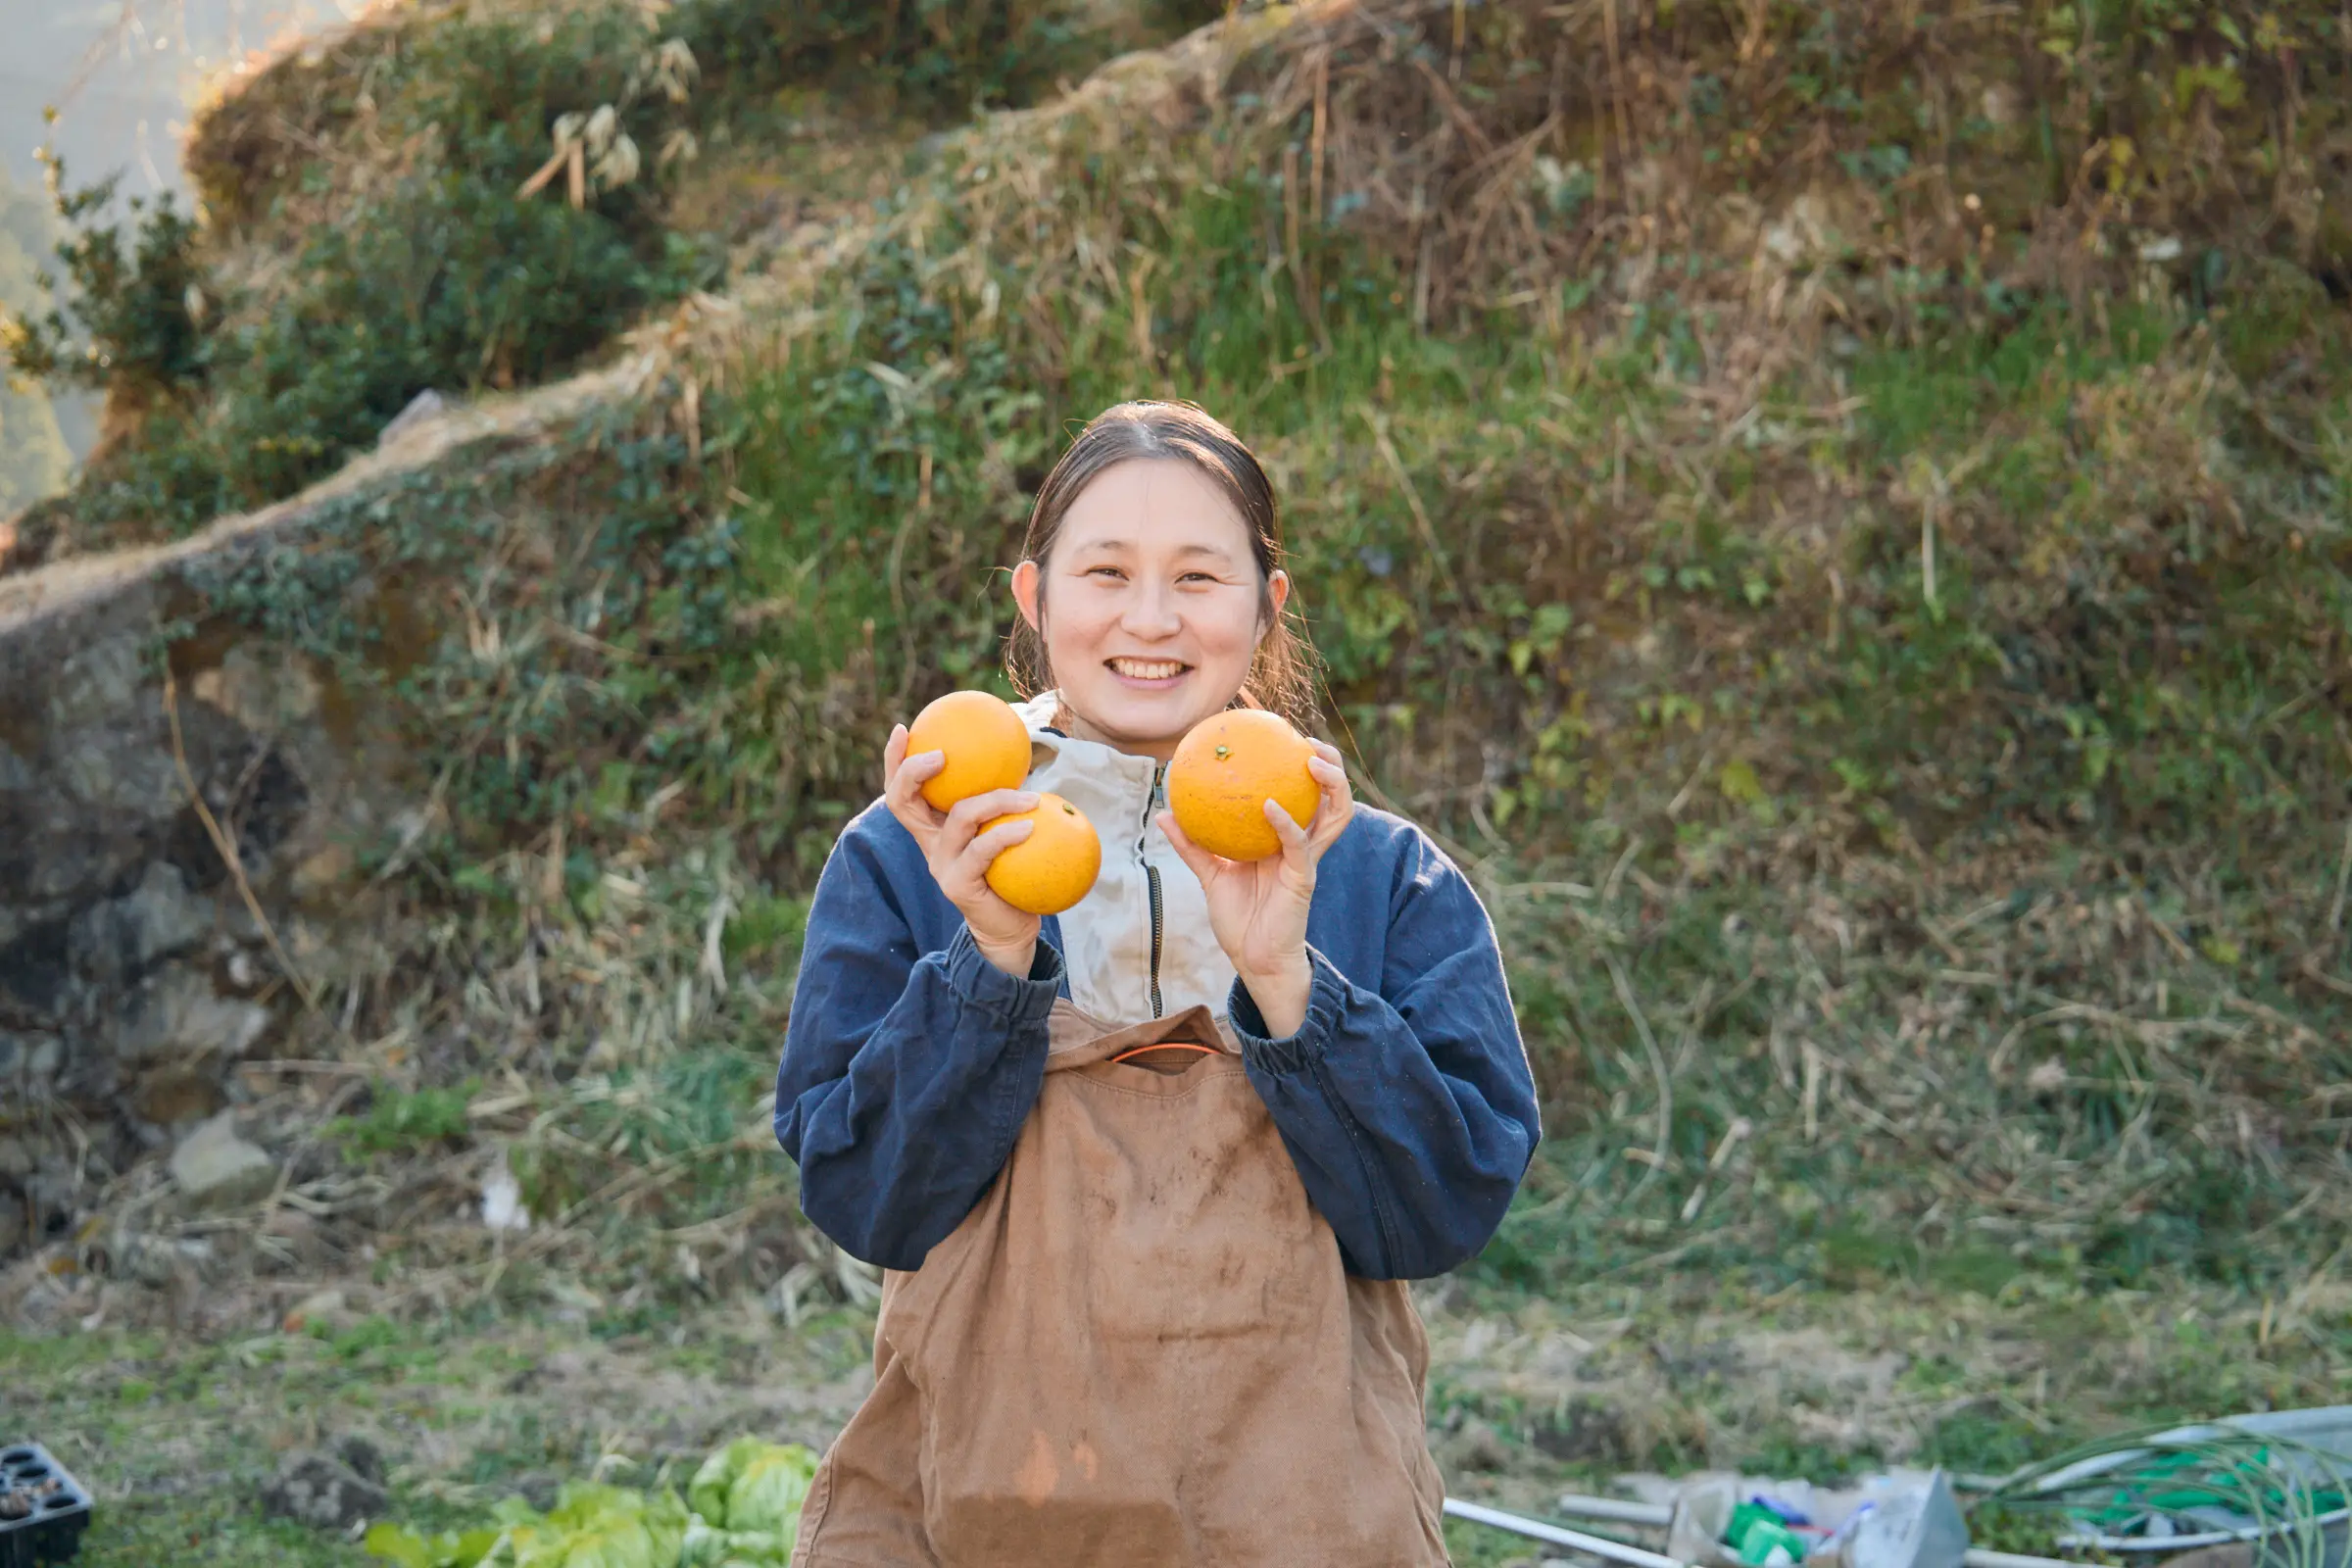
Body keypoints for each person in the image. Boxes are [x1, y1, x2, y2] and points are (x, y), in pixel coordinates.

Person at [773, 400, 1540, 1566]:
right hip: (981, 1520)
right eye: (1107, 572)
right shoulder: (912, 857)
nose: (1149, 619)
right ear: (1034, 598)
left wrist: (1287, 979)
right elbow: (864, 1200)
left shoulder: (1376, 876)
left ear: (1266, 607)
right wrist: (988, 960)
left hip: (1301, 1526)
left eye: (1198, 576)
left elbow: (1434, 1215)